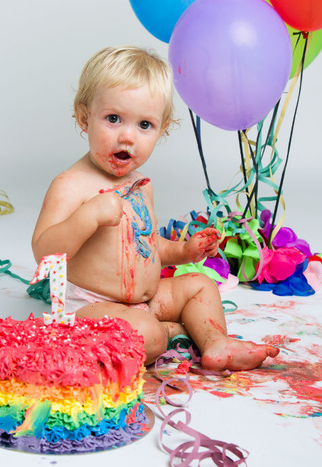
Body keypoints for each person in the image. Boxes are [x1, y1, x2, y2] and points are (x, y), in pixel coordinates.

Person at [31, 46, 279, 371]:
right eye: (113, 119)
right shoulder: (71, 184)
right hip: (90, 306)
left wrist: (184, 251)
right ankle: (171, 335)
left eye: (144, 125)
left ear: (162, 130)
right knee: (149, 334)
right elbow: (44, 252)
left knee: (200, 286)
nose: (127, 136)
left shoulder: (140, 183)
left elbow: (147, 245)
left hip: (145, 300)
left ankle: (217, 342)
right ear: (84, 117)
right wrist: (87, 216)